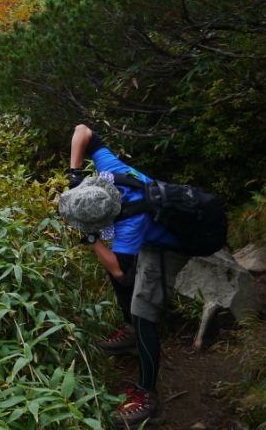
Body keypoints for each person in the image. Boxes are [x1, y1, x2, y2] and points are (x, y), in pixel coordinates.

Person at [59, 124, 189, 428]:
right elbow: (82, 130)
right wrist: (74, 175)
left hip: (170, 245)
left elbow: (118, 266)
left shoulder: (129, 223)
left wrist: (92, 238)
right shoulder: (109, 170)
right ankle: (130, 335)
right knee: (121, 275)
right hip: (150, 232)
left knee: (143, 311)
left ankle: (148, 400)